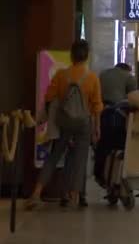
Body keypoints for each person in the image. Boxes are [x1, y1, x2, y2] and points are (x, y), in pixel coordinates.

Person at [26, 40, 103, 210]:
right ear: (87, 56)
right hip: (84, 123)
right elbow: (97, 106)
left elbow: (49, 97)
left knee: (54, 156)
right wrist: (97, 128)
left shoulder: (61, 75)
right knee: (80, 158)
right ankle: (75, 194)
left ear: (71, 56)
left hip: (64, 122)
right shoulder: (92, 78)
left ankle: (37, 192)